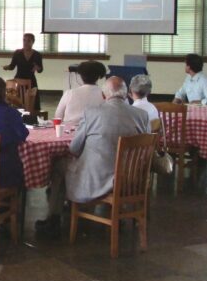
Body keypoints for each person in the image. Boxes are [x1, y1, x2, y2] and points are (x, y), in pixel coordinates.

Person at [37, 77, 149, 237]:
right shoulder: (142, 116)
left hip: (97, 179)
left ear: (103, 95)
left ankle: (53, 218)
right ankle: (118, 214)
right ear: (126, 95)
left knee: (59, 165)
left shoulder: (92, 113)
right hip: (130, 181)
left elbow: (74, 149)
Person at [54, 60, 106, 127]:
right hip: (95, 129)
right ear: (99, 76)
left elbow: (58, 116)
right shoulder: (105, 94)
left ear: (81, 76)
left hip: (70, 129)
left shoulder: (69, 93)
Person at [3, 33, 44, 110]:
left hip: (31, 81)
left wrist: (37, 68)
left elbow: (40, 70)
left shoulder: (37, 55)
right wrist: (6, 67)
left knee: (32, 104)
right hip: (18, 81)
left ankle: (31, 114)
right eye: (24, 40)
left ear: (33, 42)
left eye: (28, 41)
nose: (26, 43)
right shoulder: (17, 53)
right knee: (16, 103)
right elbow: (12, 66)